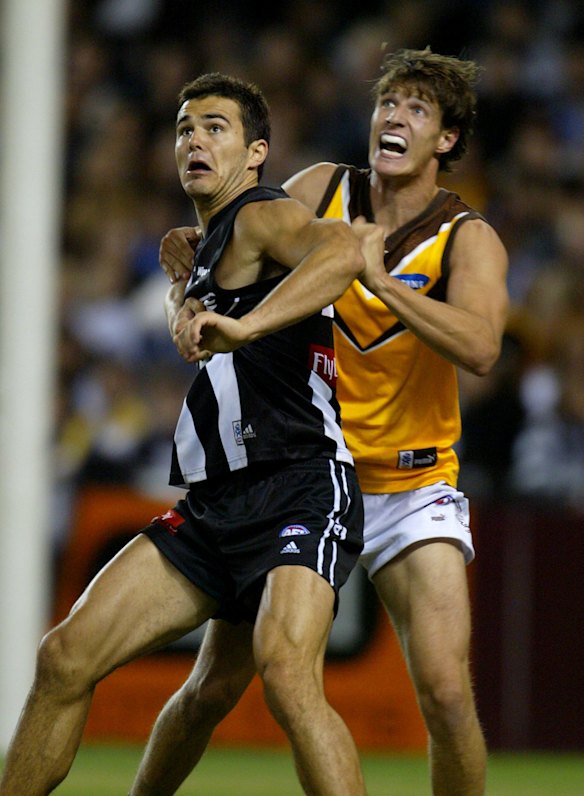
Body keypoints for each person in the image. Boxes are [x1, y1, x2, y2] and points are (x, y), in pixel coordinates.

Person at [130, 49, 509, 796]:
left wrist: (379, 283)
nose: (394, 118)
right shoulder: (319, 190)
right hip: (303, 475)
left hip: (410, 484)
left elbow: (481, 346)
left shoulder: (467, 237)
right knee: (212, 688)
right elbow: (245, 246)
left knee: (443, 689)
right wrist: (189, 264)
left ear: (447, 141)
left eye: (417, 110)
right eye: (387, 104)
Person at [0, 73, 369, 796]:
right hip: (216, 503)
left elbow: (345, 254)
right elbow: (203, 297)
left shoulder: (263, 213)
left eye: (216, 127)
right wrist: (187, 289)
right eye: (183, 128)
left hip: (299, 484)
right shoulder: (205, 246)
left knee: (288, 676)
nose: (194, 140)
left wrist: (246, 324)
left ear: (257, 152)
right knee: (69, 659)